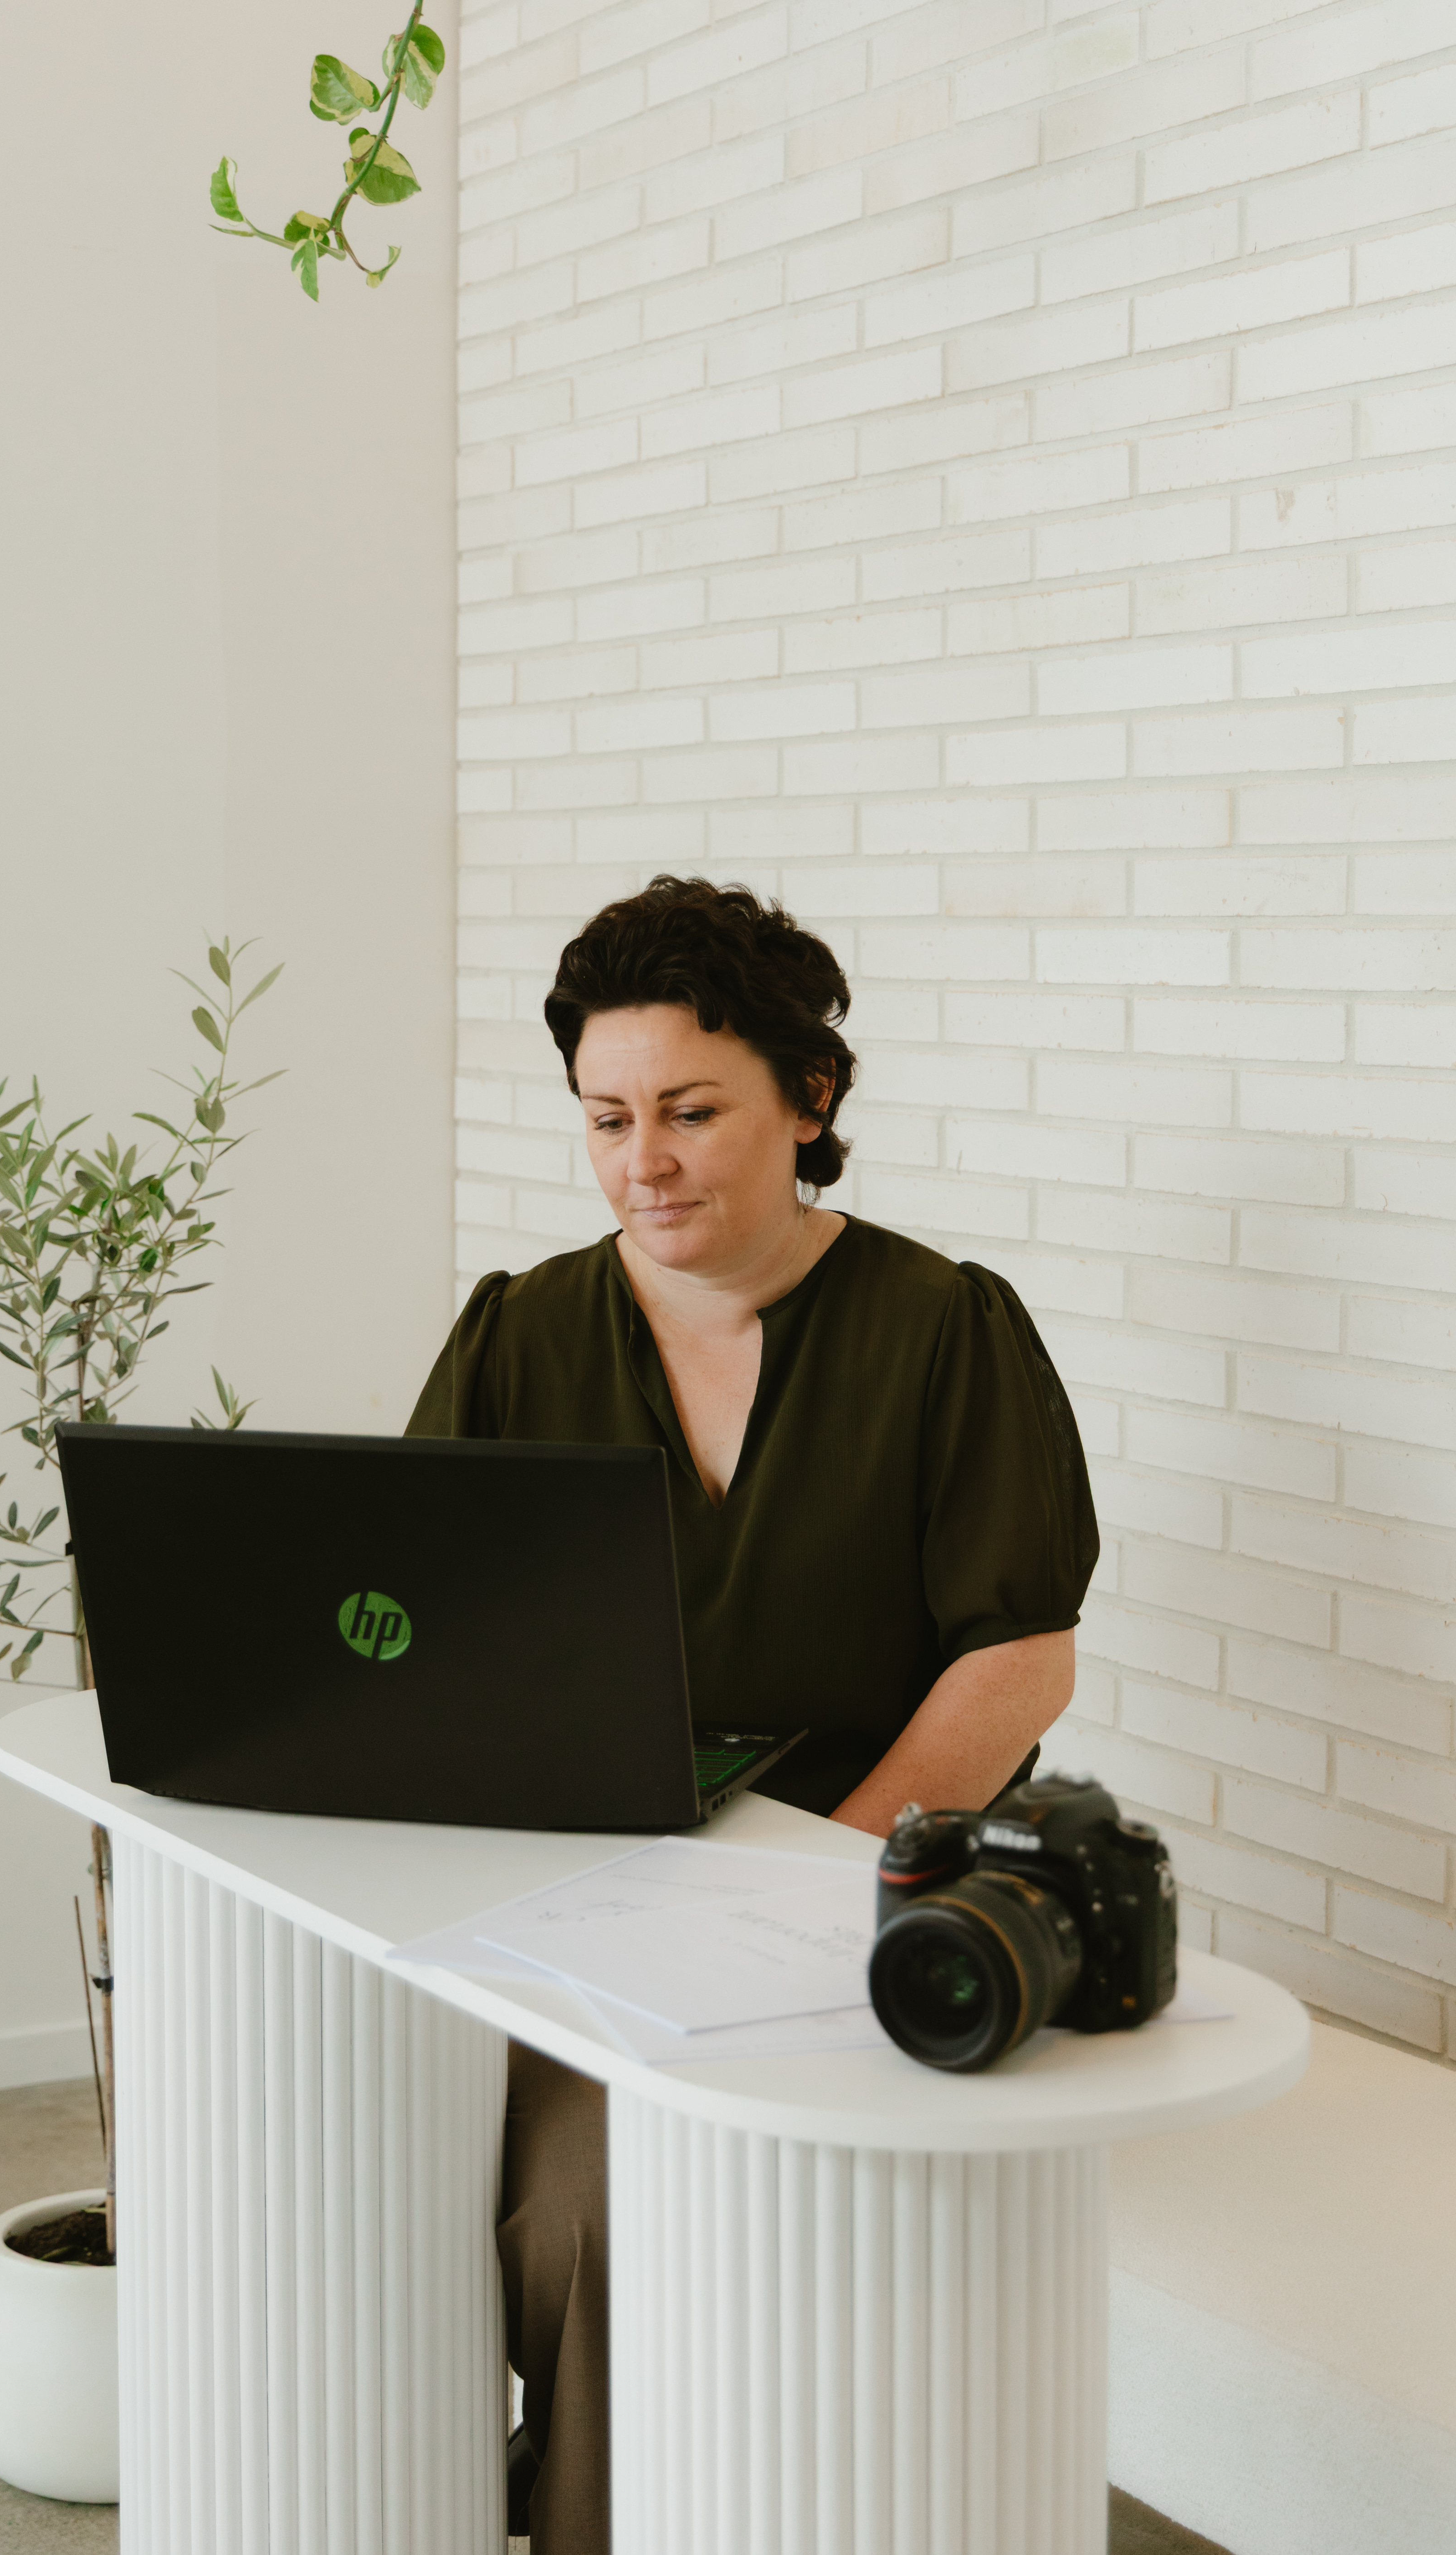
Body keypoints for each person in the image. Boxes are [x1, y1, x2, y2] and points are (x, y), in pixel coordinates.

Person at [405, 876, 1099, 2552]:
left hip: (843, 1898)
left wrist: (807, 1885)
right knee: (413, 2184)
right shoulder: (517, 1333)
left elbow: (1018, 1654)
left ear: (812, 1099)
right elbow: (408, 1619)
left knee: (597, 2211)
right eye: (607, 1117)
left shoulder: (945, 1329)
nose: (645, 1159)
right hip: (562, 1896)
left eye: (693, 1112)